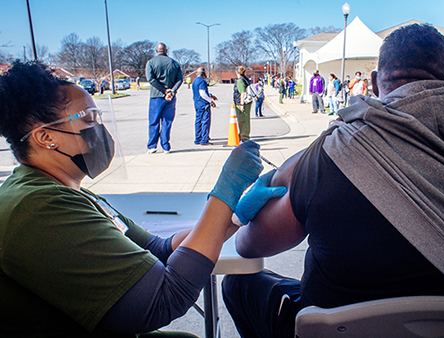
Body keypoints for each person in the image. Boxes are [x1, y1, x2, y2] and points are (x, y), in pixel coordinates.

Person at [0, 61, 286, 337]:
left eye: (98, 117)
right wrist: (225, 193)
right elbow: (162, 299)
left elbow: (158, 249)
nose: (99, 128)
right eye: (88, 118)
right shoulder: (40, 209)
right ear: (45, 137)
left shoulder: (63, 192)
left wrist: (234, 216)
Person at [222, 23, 444, 338]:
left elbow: (248, 245)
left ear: (372, 83)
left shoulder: (331, 155)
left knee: (238, 283)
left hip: (332, 327)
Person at [145, 43, 183, 154]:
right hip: (170, 97)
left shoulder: (151, 63)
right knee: (167, 122)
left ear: (157, 50)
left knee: (154, 121)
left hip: (156, 96)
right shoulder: (174, 63)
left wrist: (163, 90)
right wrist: (172, 91)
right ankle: (166, 146)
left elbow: (151, 79)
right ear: (166, 50)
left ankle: (152, 146)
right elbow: (180, 79)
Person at [192, 67, 217, 145]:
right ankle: (204, 140)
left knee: (198, 121)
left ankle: (198, 139)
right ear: (203, 73)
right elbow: (202, 93)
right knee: (205, 122)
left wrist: (210, 95)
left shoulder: (195, 81)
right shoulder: (202, 82)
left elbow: (200, 93)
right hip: (203, 105)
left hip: (197, 104)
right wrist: (211, 101)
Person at [233, 66, 253, 142]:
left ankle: (244, 137)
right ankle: (243, 135)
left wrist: (241, 104)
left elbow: (243, 92)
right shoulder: (246, 79)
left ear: (236, 72)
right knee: (246, 119)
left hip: (242, 102)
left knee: (243, 120)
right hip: (247, 102)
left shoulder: (240, 81)